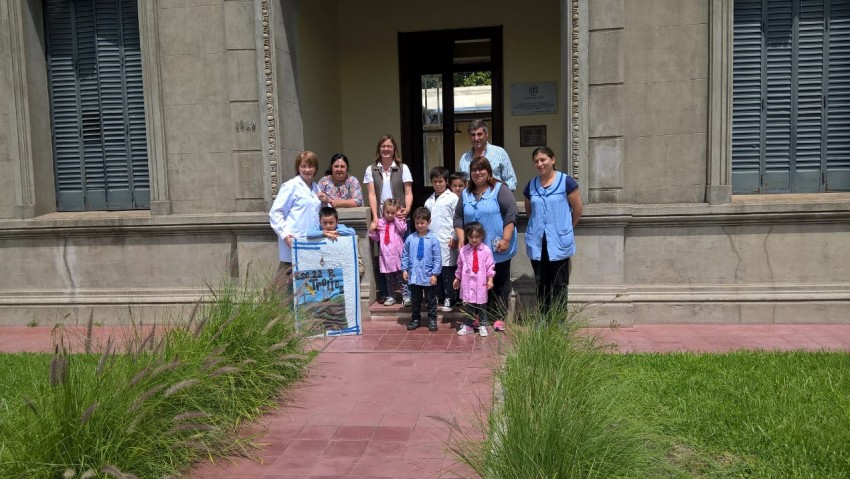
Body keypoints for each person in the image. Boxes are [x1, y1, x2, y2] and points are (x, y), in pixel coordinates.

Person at [454, 157, 517, 332]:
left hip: (496, 246)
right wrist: (461, 239)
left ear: (488, 171)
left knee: (499, 280)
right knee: (473, 282)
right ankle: (476, 318)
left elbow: (511, 215)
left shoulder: (500, 189)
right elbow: (458, 218)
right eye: (474, 170)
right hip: (473, 249)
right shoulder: (466, 193)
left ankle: (498, 317)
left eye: (481, 169)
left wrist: (505, 239)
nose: (477, 173)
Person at [523, 146, 584, 309]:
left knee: (559, 283)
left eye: (543, 159)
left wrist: (568, 227)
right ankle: (543, 319)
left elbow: (578, 208)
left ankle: (558, 321)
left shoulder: (566, 182)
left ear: (553, 159)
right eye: (536, 161)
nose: (540, 164)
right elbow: (530, 210)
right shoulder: (531, 185)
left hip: (558, 240)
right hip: (538, 241)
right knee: (541, 282)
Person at [363, 135, 413, 304]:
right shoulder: (371, 169)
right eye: (383, 146)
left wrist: (406, 210)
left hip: (398, 217)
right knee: (384, 259)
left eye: (389, 146)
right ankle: (388, 293)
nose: (386, 149)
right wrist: (376, 218)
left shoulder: (402, 167)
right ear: (379, 149)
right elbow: (371, 194)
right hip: (383, 220)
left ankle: (408, 294)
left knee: (404, 258)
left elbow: (408, 192)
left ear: (394, 149)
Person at [269, 151, 322, 290]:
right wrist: (285, 233)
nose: (307, 170)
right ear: (298, 168)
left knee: (308, 287)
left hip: (311, 243)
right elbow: (275, 212)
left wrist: (326, 201)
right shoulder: (291, 186)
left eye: (311, 166)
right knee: (291, 287)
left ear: (316, 168)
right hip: (294, 242)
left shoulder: (316, 188)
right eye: (303, 166)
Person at [424, 167, 459, 312]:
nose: (438, 184)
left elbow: (457, 219)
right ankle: (438, 296)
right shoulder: (429, 201)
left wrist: (455, 237)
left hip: (447, 240)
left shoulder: (453, 198)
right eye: (435, 181)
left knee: (448, 272)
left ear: (446, 182)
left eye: (441, 181)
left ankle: (450, 298)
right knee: (436, 271)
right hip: (433, 240)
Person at [401, 207, 442, 331]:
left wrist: (435, 273)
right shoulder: (410, 238)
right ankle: (415, 319)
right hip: (414, 275)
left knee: (431, 299)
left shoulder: (433, 240)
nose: (419, 225)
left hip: (428, 275)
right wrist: (404, 269)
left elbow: (437, 257)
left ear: (428, 222)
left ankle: (432, 320)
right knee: (415, 300)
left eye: (422, 223)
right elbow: (405, 254)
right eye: (417, 223)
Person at [454, 222, 495, 337]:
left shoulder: (486, 250)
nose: (474, 240)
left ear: (482, 236)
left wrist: (490, 279)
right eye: (471, 237)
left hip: (480, 283)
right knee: (469, 306)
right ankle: (469, 326)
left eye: (477, 237)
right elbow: (460, 265)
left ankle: (482, 325)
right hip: (467, 283)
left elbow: (490, 266)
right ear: (467, 237)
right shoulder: (463, 250)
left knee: (482, 305)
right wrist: (457, 278)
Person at [368, 199, 409, 306]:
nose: (390, 215)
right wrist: (372, 230)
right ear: (383, 211)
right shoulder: (380, 222)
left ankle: (406, 296)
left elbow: (402, 229)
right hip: (386, 256)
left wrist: (397, 218)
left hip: (397, 255)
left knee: (401, 278)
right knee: (389, 279)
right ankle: (391, 296)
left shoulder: (399, 221)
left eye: (393, 213)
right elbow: (377, 238)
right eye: (388, 212)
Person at [458, 119, 517, 191]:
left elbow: (511, 182)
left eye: (479, 134)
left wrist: (496, 194)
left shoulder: (499, 153)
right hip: (472, 200)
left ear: (486, 135)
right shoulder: (464, 158)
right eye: (473, 135)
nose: (476, 138)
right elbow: (462, 185)